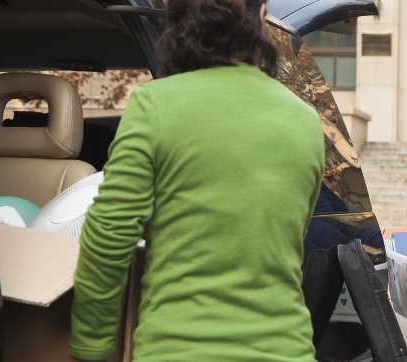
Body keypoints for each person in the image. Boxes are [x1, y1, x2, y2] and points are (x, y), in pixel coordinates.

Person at [68, 1, 324, 361]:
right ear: (261, 15)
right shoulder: (305, 122)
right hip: (285, 350)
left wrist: (91, 347)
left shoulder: (153, 107)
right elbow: (289, 238)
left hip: (178, 349)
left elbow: (109, 236)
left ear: (177, 23)